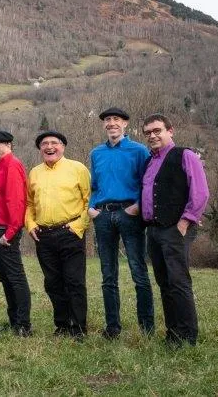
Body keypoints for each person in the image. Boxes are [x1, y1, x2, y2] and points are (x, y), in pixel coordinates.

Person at [141, 114, 209, 347]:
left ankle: (187, 336)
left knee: (178, 281)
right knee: (164, 282)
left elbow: (200, 192)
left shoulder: (185, 155)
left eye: (157, 130)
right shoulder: (150, 162)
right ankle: (173, 333)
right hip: (154, 230)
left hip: (175, 229)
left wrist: (185, 221)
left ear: (170, 131)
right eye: (148, 133)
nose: (152, 136)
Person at [88, 108, 153, 339]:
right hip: (103, 215)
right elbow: (94, 185)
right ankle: (112, 328)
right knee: (108, 275)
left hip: (130, 214)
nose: (111, 123)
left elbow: (148, 182)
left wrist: (137, 206)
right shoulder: (96, 153)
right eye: (107, 120)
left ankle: (146, 328)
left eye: (116, 119)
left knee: (138, 271)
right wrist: (91, 208)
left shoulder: (139, 151)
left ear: (125, 123)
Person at [25, 131, 90, 339]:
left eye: (54, 143)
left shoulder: (78, 168)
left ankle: (78, 328)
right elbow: (29, 204)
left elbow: (89, 200)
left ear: (63, 146)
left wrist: (78, 226)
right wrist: (30, 224)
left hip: (71, 232)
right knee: (52, 282)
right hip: (43, 235)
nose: (49, 146)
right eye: (44, 143)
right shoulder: (34, 172)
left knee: (74, 281)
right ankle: (62, 325)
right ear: (40, 149)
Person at [0, 130, 32, 337]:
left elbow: (16, 201)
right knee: (6, 279)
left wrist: (10, 233)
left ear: (9, 145)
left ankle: (23, 325)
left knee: (15, 278)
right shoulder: (0, 167)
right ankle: (14, 321)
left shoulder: (12, 165)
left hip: (5, 232)